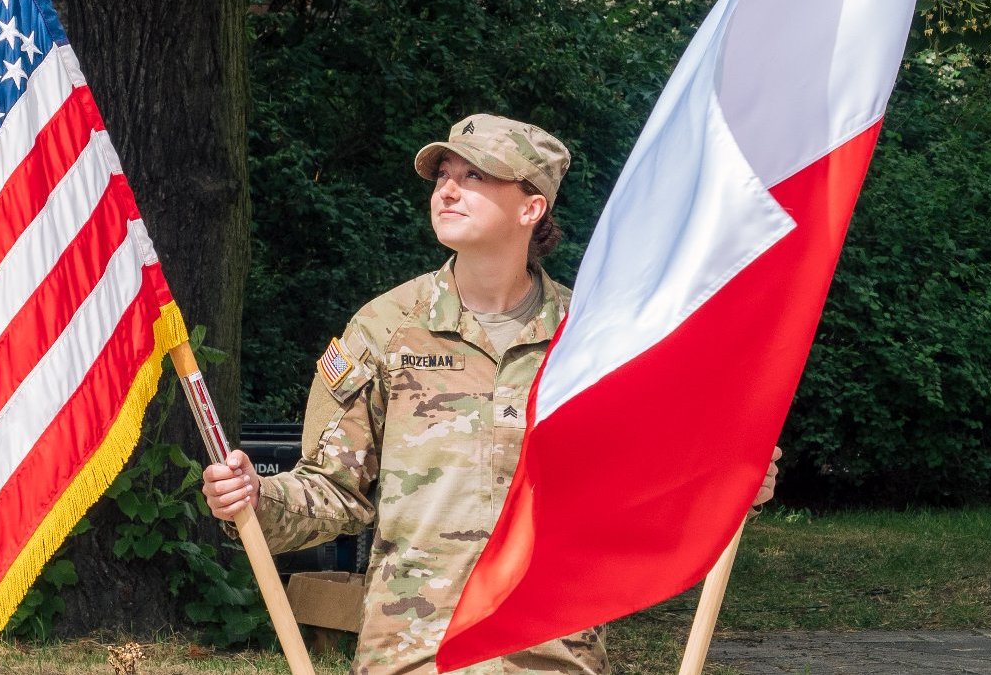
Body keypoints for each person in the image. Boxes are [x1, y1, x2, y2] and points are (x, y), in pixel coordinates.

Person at [201, 114, 781, 674]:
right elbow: (334, 492)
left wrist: (732, 479)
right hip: (414, 654)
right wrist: (256, 497)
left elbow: (647, 487)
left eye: (475, 176)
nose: (448, 190)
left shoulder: (592, 338)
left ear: (533, 207)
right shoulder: (385, 328)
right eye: (443, 175)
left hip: (553, 654)